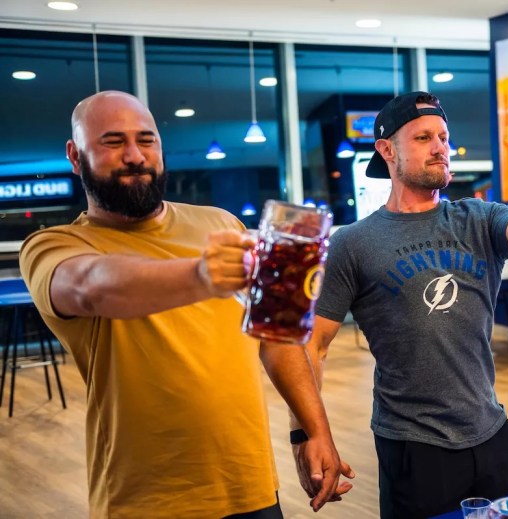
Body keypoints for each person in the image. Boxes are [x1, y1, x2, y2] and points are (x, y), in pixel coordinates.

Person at [288, 91, 508, 518]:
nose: (440, 148)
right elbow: (310, 346)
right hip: (414, 447)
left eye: (444, 137)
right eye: (423, 138)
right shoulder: (354, 243)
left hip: (492, 432)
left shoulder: (478, 220)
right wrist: (306, 434)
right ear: (386, 150)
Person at [19, 91, 353, 519]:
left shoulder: (221, 223)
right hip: (146, 501)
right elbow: (91, 286)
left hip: (250, 487)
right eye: (113, 142)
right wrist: (200, 276)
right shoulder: (55, 246)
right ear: (75, 154)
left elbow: (276, 337)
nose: (135, 156)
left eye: (146, 140)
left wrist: (311, 431)